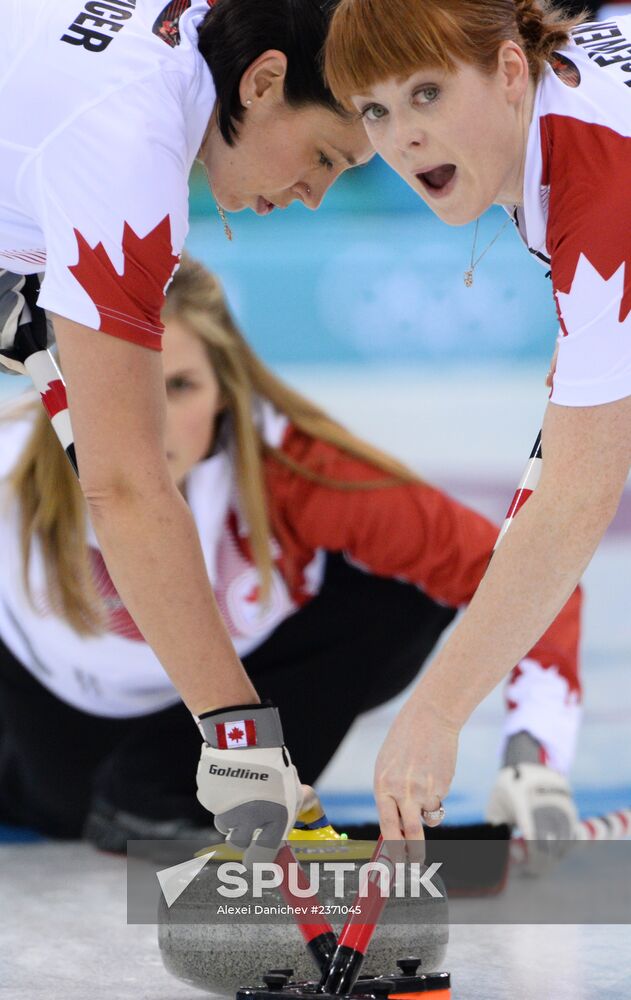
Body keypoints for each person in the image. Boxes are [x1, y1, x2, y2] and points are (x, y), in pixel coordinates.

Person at [0, 254, 582, 851]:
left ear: (227, 390)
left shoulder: (297, 471)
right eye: (123, 387)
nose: (151, 422)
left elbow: (528, 571)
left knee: (404, 596)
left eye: (180, 386)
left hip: (202, 757)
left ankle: (164, 795)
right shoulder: (10, 465)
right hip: (40, 751)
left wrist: (531, 751)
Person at [0, 0, 373, 860]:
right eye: (324, 157)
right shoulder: (134, 157)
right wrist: (239, 741)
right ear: (265, 79)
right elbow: (126, 487)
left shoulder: (191, 33)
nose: (316, 196)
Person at [323, 0, 631, 840]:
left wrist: (435, 713)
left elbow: (573, 501)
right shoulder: (562, 118)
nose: (399, 138)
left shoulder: (599, 184)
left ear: (505, 71)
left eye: (425, 93)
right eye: (376, 110)